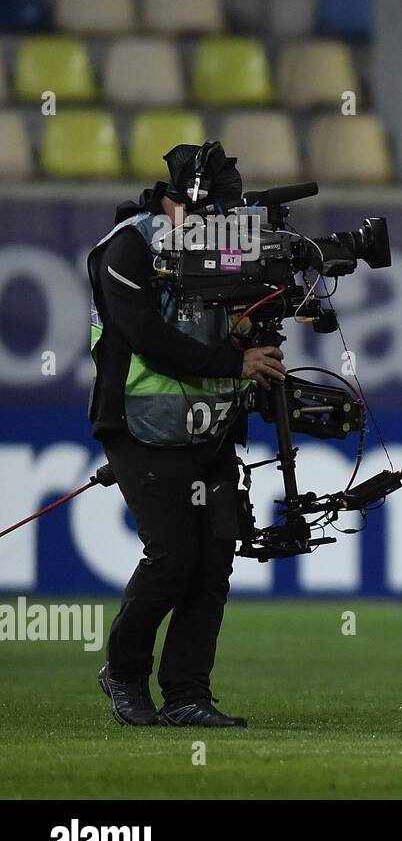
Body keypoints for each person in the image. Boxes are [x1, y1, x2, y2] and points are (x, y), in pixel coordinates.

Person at [89, 141, 286, 728]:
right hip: (137, 426)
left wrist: (249, 331)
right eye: (207, 215)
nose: (216, 226)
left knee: (213, 563)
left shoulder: (222, 249)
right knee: (174, 558)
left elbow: (230, 326)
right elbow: (146, 335)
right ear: (178, 203)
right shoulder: (126, 247)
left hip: (210, 426)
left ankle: (186, 696)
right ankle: (124, 673)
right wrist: (237, 366)